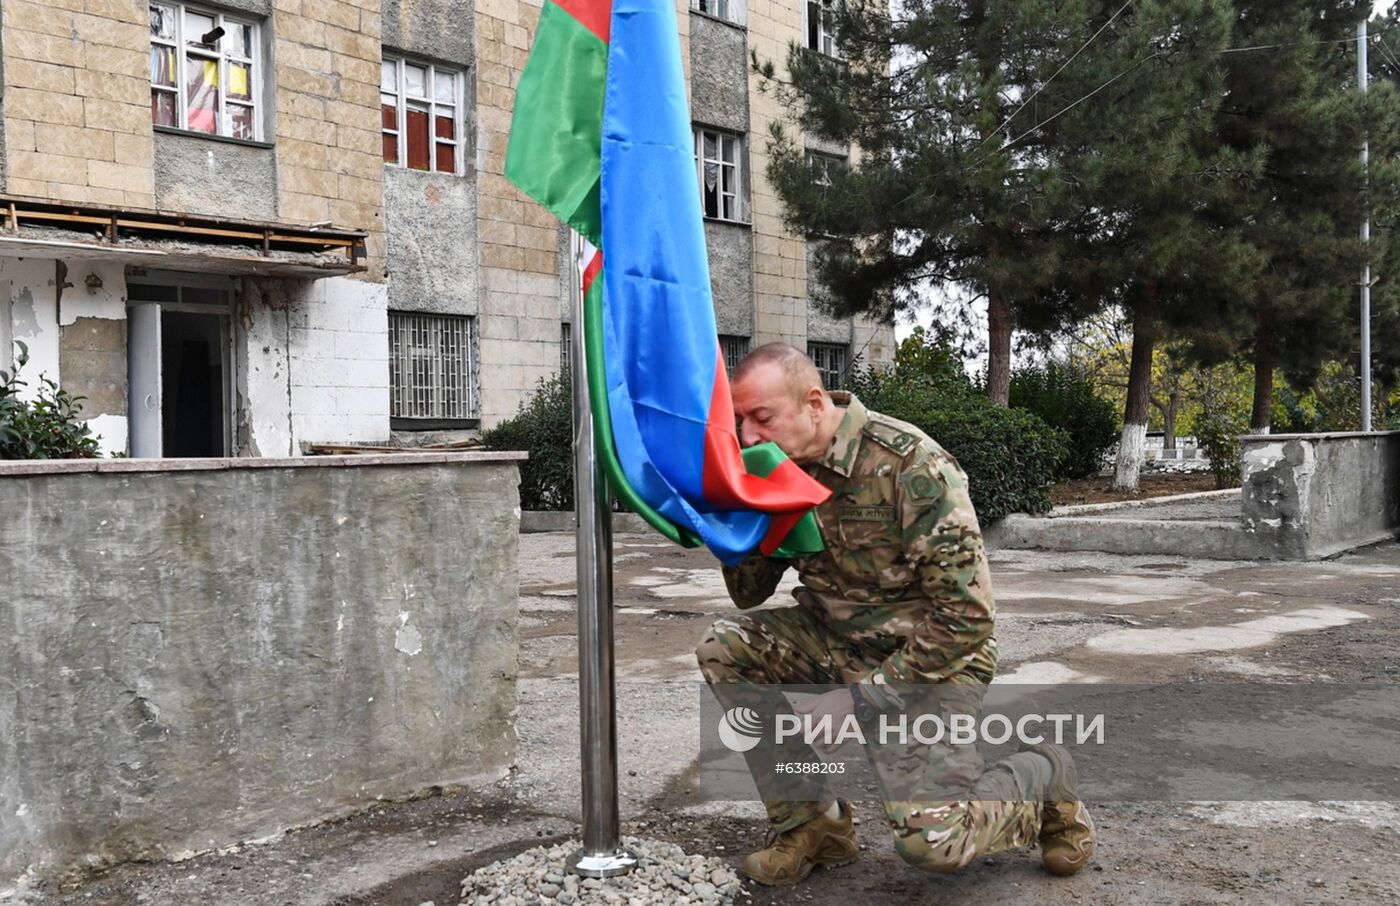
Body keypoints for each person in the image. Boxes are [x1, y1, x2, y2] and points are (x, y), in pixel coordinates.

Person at [695, 342, 1095, 886]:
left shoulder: (910, 465)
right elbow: (749, 593)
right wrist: (730, 516)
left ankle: (1044, 778)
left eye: (760, 418)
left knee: (934, 844)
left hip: (932, 662)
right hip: (831, 638)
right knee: (726, 647)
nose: (747, 437)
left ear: (814, 403)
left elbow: (968, 616)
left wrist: (862, 698)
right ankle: (813, 823)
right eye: (739, 422)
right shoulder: (774, 468)